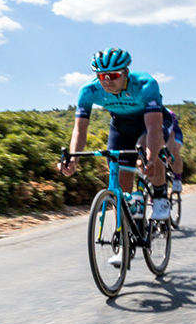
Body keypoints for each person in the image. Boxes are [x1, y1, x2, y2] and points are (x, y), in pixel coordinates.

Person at [59, 48, 177, 231]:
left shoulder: (146, 84)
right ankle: (123, 238)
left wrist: (152, 159)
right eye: (101, 76)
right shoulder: (88, 90)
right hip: (121, 126)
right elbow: (80, 130)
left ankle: (161, 197)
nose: (107, 81)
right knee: (120, 182)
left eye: (113, 75)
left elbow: (154, 128)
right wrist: (73, 160)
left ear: (126, 73)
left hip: (151, 123)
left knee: (146, 151)